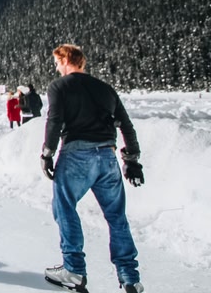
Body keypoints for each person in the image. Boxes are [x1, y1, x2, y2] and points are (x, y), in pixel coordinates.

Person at [41, 44, 145, 293]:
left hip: (77, 154)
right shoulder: (105, 89)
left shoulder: (59, 86)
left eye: (57, 62)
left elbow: (54, 120)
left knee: (64, 207)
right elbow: (126, 125)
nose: (56, 67)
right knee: (116, 216)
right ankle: (130, 277)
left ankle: (74, 270)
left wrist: (47, 154)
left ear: (66, 60)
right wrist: (131, 160)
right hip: (107, 158)